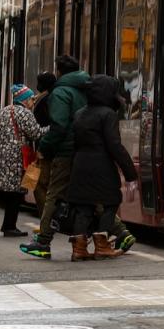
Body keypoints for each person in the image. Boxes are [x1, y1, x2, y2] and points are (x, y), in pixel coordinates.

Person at [61, 75, 139, 261]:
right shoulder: (108, 114)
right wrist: (130, 172)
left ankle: (79, 249)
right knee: (110, 202)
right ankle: (102, 246)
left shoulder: (80, 113)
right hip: (101, 166)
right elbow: (114, 146)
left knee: (83, 207)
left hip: (80, 165)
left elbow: (74, 143)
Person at [20, 56, 90, 258]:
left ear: (59, 71)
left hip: (64, 151)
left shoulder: (60, 93)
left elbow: (58, 126)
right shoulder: (86, 88)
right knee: (89, 195)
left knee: (53, 195)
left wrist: (46, 147)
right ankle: (117, 233)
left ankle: (43, 242)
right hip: (83, 149)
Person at [0, 84, 45, 237]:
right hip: (17, 157)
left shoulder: (3, 111)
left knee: (11, 192)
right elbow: (36, 133)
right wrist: (51, 128)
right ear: (25, 100)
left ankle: (7, 225)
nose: (33, 102)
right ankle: (9, 227)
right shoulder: (24, 113)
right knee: (17, 193)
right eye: (31, 99)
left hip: (1, 157)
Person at [31, 71, 57, 217]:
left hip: (45, 150)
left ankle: (46, 219)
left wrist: (42, 147)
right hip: (47, 148)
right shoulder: (46, 98)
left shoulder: (46, 100)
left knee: (40, 184)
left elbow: (45, 125)